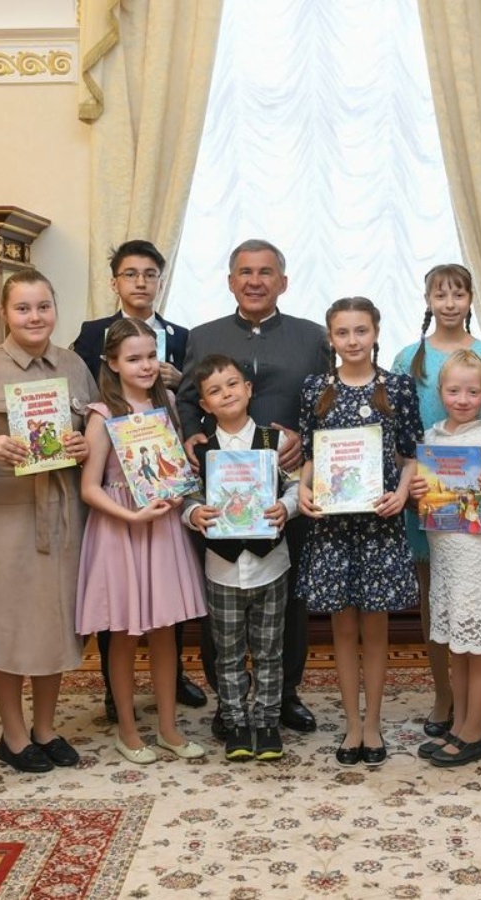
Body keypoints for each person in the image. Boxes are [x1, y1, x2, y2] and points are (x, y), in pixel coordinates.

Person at [176, 239, 333, 737]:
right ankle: (228, 702)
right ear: (230, 281)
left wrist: (304, 442)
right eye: (245, 272)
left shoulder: (311, 337)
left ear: (283, 281)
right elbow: (184, 400)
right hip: (221, 492)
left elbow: (328, 403)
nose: (255, 281)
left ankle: (284, 695)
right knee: (220, 602)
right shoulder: (204, 336)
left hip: (288, 487)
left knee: (288, 598)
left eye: (266, 272)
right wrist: (191, 434)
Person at [0, 270, 96, 774]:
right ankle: (13, 734)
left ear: (55, 309)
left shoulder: (74, 366)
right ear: (5, 314)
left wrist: (84, 444)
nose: (35, 317)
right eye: (23, 308)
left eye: (43, 307)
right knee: (8, 625)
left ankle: (45, 728)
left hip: (64, 512)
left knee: (56, 624)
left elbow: (96, 432)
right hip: (5, 515)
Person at [72, 240, 206, 716]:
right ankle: (122, 710)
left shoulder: (171, 381)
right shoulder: (100, 398)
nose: (145, 365)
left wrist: (184, 474)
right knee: (122, 623)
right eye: (134, 359)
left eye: (150, 357)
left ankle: (169, 717)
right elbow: (89, 481)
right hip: (120, 518)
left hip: (163, 518)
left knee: (167, 620)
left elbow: (182, 435)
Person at [390, 264, 481, 740]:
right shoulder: (409, 358)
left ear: (469, 299)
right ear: (427, 300)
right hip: (426, 496)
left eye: (458, 294)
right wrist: (407, 483)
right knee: (434, 598)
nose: (449, 303)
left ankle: (470, 709)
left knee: (467, 602)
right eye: (439, 295)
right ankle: (444, 694)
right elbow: (399, 431)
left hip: (474, 501)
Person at [297, 297, 422, 768]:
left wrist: (402, 493)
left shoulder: (397, 387)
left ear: (376, 333)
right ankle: (351, 724)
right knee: (342, 630)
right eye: (343, 332)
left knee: (375, 629)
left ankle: (373, 724)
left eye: (361, 331)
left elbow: (410, 456)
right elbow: (310, 454)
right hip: (332, 527)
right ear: (331, 338)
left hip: (379, 525)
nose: (352, 341)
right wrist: (302, 490)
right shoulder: (316, 388)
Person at [180, 353, 299, 762]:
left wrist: (288, 507)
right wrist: (193, 513)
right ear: (204, 404)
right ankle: (234, 723)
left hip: (271, 564)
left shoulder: (274, 441)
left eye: (232, 384)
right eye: (215, 390)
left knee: (269, 650)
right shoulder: (200, 451)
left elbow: (297, 486)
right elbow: (186, 497)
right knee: (227, 653)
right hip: (222, 569)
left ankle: (266, 723)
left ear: (248, 390)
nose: (226, 393)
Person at [408, 350, 481, 767]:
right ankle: (459, 724)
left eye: (473, 392)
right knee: (457, 646)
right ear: (441, 392)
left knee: (478, 648)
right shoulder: (431, 438)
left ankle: (474, 733)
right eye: (454, 390)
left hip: (475, 557)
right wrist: (418, 492)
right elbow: (423, 497)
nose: (463, 399)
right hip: (444, 558)